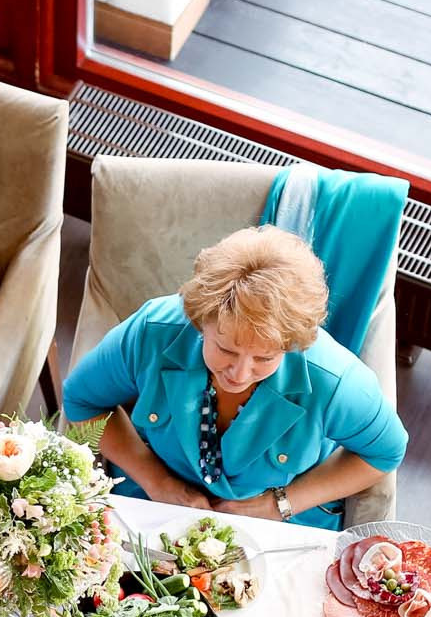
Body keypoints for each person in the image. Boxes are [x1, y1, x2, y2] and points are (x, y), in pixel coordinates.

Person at [62, 226, 406, 529]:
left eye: (265, 357)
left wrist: (280, 504)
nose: (240, 374)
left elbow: (385, 452)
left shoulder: (336, 381)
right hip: (155, 510)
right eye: (225, 349)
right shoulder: (153, 331)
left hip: (283, 530)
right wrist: (157, 481)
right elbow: (82, 401)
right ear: (200, 320)